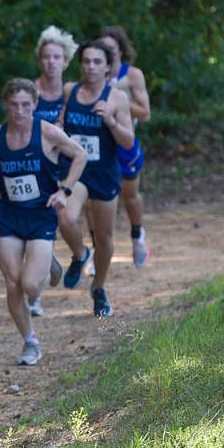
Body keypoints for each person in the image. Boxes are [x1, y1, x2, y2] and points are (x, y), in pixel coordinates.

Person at [0, 79, 88, 364]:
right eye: (14, 105)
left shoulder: (47, 132)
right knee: (14, 283)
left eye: (26, 105)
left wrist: (65, 189)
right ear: (6, 105)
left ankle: (50, 263)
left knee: (31, 286)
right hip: (8, 216)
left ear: (35, 105)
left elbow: (80, 154)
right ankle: (30, 341)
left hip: (40, 214)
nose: (19, 111)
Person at [56, 40, 135, 317]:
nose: (90, 67)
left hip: (104, 173)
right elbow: (60, 124)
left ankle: (99, 288)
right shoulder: (70, 91)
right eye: (86, 61)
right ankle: (80, 255)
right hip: (76, 172)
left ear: (108, 67)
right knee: (64, 216)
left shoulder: (117, 98)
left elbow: (128, 142)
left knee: (104, 238)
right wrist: (57, 129)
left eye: (97, 62)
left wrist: (111, 122)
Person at [30, 25, 79, 316]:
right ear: (40, 59)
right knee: (37, 224)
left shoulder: (72, 92)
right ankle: (35, 294)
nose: (50, 62)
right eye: (46, 57)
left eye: (56, 57)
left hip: (68, 165)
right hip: (35, 168)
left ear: (65, 60)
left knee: (63, 217)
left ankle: (71, 255)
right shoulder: (30, 91)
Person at [99, 26, 152, 268]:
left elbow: (145, 114)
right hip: (99, 144)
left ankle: (137, 235)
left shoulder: (132, 76)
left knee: (129, 196)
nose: (107, 53)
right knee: (93, 200)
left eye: (111, 48)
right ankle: (97, 248)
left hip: (125, 142)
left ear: (120, 49)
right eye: (102, 49)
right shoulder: (94, 74)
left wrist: (121, 101)